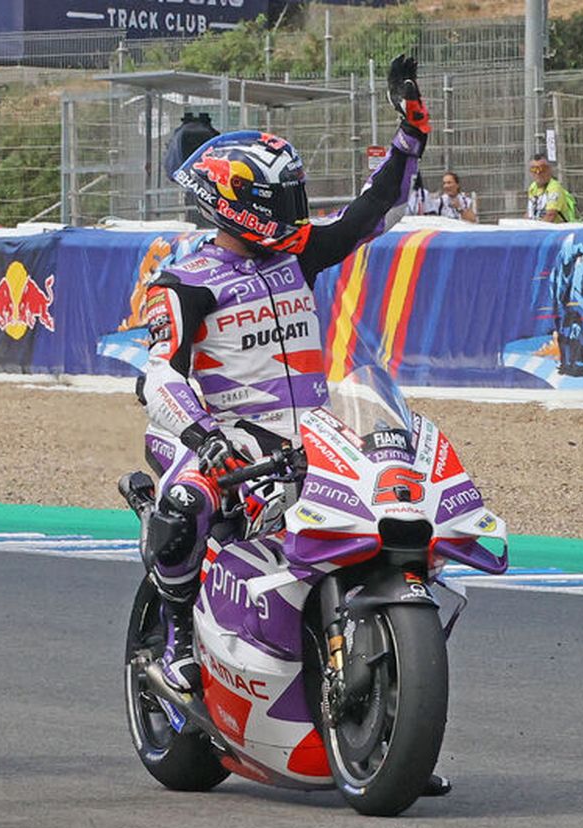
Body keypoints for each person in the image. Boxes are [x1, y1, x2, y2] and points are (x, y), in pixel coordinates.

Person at [136, 54, 427, 691]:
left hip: (310, 434)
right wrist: (201, 436)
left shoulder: (301, 254)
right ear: (236, 203)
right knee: (188, 503)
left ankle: (396, 706)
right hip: (217, 433)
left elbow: (375, 210)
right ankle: (176, 639)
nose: (296, 212)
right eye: (281, 199)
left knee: (389, 517)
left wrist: (411, 137)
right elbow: (156, 375)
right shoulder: (185, 282)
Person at [527, 154, 578, 223]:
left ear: (550, 170)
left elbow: (550, 216)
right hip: (539, 228)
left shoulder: (554, 187)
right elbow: (529, 214)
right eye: (534, 169)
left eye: (543, 168)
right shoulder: (532, 187)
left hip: (557, 230)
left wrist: (534, 232)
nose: (538, 172)